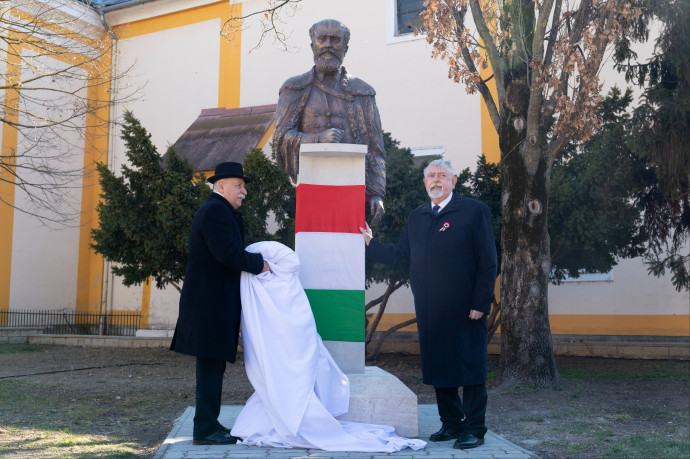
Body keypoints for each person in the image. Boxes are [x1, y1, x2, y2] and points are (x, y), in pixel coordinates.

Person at [231, 240, 426, 452]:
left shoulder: (276, 288)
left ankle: (292, 414)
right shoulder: (273, 290)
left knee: (289, 381)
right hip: (289, 351)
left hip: (294, 349)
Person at [360, 159, 497, 450]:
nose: (436, 180)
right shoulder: (417, 217)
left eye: (442, 176)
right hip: (430, 308)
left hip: (466, 308)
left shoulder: (474, 211)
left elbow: (488, 261)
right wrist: (371, 244)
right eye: (431, 176)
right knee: (440, 366)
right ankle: (451, 424)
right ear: (425, 183)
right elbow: (402, 258)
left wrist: (481, 301)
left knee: (470, 368)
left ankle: (474, 428)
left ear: (453, 181)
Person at [170, 161, 271, 445]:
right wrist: (260, 265)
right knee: (210, 366)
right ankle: (204, 430)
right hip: (209, 305)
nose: (244, 192)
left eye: (244, 187)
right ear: (222, 185)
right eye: (239, 186)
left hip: (213, 303)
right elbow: (228, 253)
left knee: (213, 366)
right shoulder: (215, 210)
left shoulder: (219, 210)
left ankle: (209, 424)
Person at [274, 18, 386, 226]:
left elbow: (376, 148)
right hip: (312, 183)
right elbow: (280, 139)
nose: (328, 45)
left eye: (335, 40)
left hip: (351, 186)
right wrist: (318, 139)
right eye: (322, 39)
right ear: (312, 45)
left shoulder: (363, 92)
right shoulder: (294, 88)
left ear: (345, 47)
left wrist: (377, 192)